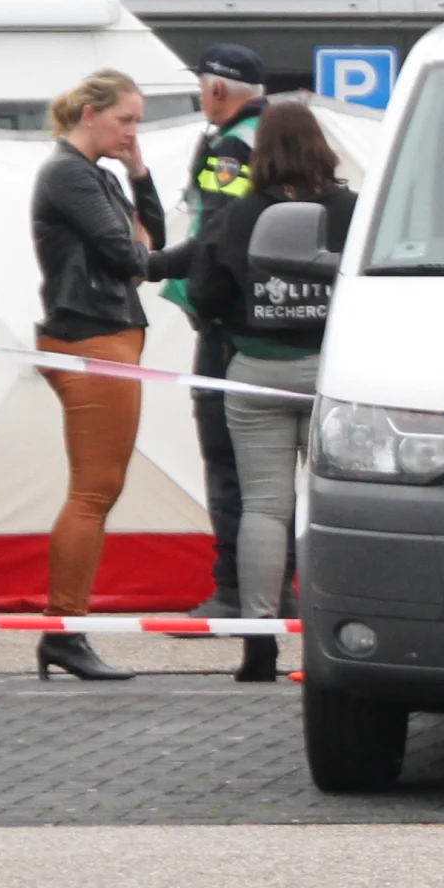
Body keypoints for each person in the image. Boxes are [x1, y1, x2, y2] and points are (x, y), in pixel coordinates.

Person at [28, 68, 190, 683]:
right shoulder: (69, 173)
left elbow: (149, 242)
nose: (132, 132)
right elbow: (132, 258)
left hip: (108, 336)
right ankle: (62, 629)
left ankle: (64, 629)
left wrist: (140, 172)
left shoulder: (93, 174)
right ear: (89, 114)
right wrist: (201, 252)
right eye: (125, 120)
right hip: (91, 338)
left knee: (98, 490)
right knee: (94, 492)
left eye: (138, 122)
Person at [189, 98, 353, 686]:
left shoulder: (240, 213)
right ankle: (345, 638)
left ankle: (260, 642)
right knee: (337, 506)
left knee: (263, 506)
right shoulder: (352, 210)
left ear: (261, 153)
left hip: (256, 372)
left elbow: (206, 295)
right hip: (334, 380)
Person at [176, 44, 269, 617]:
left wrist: (189, 290)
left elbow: (216, 232)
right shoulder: (275, 133)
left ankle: (233, 588)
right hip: (266, 322)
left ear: (216, 90)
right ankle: (268, 584)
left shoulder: (231, 145)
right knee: (268, 471)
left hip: (226, 329)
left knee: (227, 460)